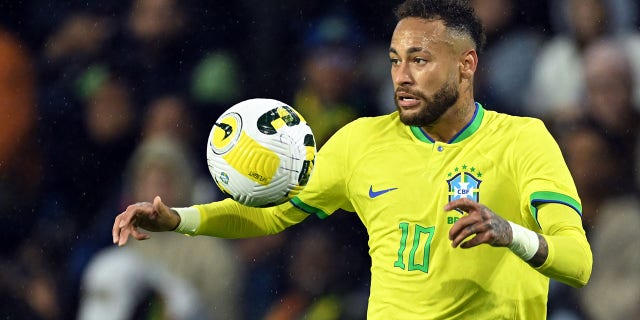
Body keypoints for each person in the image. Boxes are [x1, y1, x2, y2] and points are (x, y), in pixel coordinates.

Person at [112, 0, 592, 318]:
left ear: (466, 66)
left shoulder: (523, 140)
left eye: (419, 60)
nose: (401, 76)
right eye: (394, 60)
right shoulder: (361, 141)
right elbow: (273, 212)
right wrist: (179, 218)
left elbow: (577, 261)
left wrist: (510, 234)